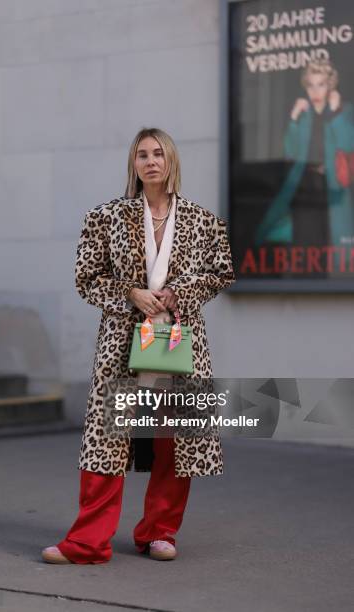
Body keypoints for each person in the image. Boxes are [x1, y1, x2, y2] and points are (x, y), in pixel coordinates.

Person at [41, 127, 235, 564]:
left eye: (158, 153)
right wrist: (132, 293)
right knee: (106, 439)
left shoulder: (205, 221)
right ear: (133, 164)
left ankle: (160, 532)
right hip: (122, 346)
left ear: (171, 162)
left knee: (175, 441)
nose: (150, 161)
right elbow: (86, 279)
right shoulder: (105, 216)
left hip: (180, 344)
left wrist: (179, 291)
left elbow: (221, 273)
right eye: (142, 154)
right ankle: (87, 542)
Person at [255, 58, 354, 273]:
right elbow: (291, 152)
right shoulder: (304, 115)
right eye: (311, 85)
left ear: (331, 86)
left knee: (334, 242)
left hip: (333, 185)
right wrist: (293, 118)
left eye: (321, 84)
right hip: (305, 184)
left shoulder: (345, 111)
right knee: (306, 242)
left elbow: (348, 144)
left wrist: (335, 113)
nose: (315, 90)